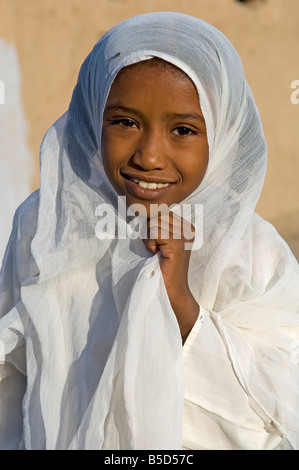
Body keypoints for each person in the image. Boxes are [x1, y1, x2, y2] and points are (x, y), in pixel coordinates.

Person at [0, 11, 298, 451]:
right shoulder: (47, 225)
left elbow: (280, 402)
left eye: (183, 130)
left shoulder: (249, 252)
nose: (150, 156)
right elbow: (13, 374)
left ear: (222, 133)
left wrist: (179, 302)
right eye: (125, 122)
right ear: (91, 116)